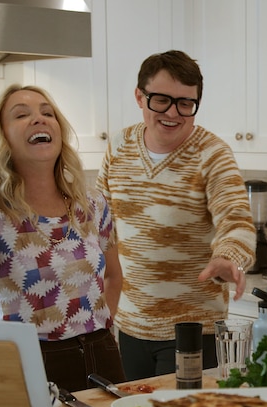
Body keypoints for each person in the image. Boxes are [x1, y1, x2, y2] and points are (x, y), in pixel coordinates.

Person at [0, 84, 125, 392]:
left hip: (102, 357)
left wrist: (99, 328)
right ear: (1, 138)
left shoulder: (92, 204)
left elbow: (114, 276)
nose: (39, 119)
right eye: (21, 115)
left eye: (47, 113)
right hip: (29, 361)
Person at [96, 50, 256, 380]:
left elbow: (236, 218)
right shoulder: (118, 146)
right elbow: (99, 221)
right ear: (140, 96)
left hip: (193, 329)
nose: (173, 113)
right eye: (162, 100)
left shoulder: (213, 154)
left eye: (186, 103)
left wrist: (228, 257)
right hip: (129, 325)